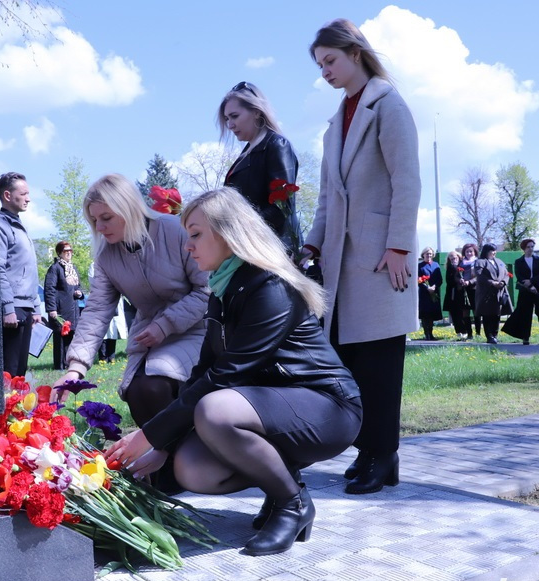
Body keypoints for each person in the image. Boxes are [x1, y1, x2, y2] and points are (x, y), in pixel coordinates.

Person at [105, 187, 362, 556]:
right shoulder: (222, 289)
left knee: (216, 410)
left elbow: (226, 376)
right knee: (192, 468)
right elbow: (202, 372)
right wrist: (165, 445)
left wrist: (149, 435)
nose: (188, 246)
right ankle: (284, 487)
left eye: (196, 234)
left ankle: (291, 505)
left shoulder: (270, 286)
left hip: (329, 409)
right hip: (271, 408)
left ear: (228, 234)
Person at [299, 19, 421, 494]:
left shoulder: (388, 104)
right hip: (340, 265)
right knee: (351, 361)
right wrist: (312, 244)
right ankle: (370, 452)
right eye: (319, 65)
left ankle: (383, 454)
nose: (325, 71)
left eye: (330, 60)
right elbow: (327, 197)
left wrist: (399, 247)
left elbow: (406, 180)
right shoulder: (336, 122)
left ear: (355, 53)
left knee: (380, 361)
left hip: (381, 258)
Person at [52, 174, 210, 429]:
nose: (99, 227)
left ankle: (187, 448)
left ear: (129, 208)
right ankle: (165, 454)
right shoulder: (107, 256)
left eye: (106, 217)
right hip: (149, 335)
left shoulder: (174, 231)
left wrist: (165, 325)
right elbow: (97, 310)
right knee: (137, 392)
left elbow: (207, 290)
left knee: (154, 388)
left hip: (197, 328)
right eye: (94, 220)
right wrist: (75, 368)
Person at [219, 82, 303, 253]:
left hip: (275, 252)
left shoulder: (276, 145)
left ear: (256, 111)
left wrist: (239, 229)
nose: (230, 125)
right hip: (254, 249)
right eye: (227, 119)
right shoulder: (248, 152)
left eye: (234, 116)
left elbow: (282, 208)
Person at [0, 172, 41, 377]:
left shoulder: (19, 225)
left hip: (25, 307)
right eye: (23, 194)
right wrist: (8, 308)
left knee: (20, 371)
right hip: (13, 309)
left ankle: (16, 399)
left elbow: (29, 270)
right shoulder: (0, 225)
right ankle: (5, 400)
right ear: (7, 195)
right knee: (11, 371)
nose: (28, 199)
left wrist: (36, 307)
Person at [501, 239, 539, 345]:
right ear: (524, 248)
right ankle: (525, 337)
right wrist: (528, 285)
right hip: (525, 289)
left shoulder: (538, 260)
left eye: (532, 246)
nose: (530, 249)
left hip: (538, 288)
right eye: (528, 247)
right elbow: (519, 276)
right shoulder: (519, 261)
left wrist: (531, 281)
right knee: (525, 313)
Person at [44, 241, 83, 370]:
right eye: (66, 251)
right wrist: (51, 309)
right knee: (61, 337)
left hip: (73, 309)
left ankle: (68, 363)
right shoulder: (55, 268)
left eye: (70, 250)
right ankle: (59, 366)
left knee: (71, 336)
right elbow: (49, 289)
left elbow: (78, 286)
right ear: (59, 253)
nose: (69, 253)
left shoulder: (73, 268)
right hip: (60, 309)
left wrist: (79, 293)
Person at [474, 243, 512, 345]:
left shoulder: (499, 262)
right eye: (492, 250)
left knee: (497, 314)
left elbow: (506, 274)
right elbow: (480, 276)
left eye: (495, 250)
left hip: (499, 292)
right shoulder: (480, 262)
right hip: (486, 292)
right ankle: (489, 336)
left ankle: (495, 335)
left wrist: (503, 282)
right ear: (486, 251)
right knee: (487, 314)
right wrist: (492, 283)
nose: (494, 252)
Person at [442, 250, 469, 339]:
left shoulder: (463, 265)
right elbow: (449, 281)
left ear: (458, 257)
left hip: (462, 292)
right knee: (454, 313)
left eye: (455, 257)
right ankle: (459, 331)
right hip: (452, 293)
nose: (453, 259)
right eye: (451, 258)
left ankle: (465, 331)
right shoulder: (450, 268)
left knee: (462, 313)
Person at [417, 247, 442, 340]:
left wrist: (434, 287)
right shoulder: (420, 266)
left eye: (430, 254)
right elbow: (418, 279)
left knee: (432, 313)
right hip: (424, 293)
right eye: (427, 254)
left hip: (434, 292)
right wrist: (427, 287)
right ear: (423, 254)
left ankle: (431, 333)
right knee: (425, 314)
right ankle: (426, 334)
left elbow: (439, 279)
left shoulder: (436, 265)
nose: (429, 255)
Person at [459, 243, 479, 337]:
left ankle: (478, 333)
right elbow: (457, 275)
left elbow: (479, 276)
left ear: (475, 252)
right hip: (464, 290)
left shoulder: (478, 262)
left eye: (471, 251)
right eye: (467, 252)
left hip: (475, 289)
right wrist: (460, 280)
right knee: (465, 311)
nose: (469, 253)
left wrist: (470, 282)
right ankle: (469, 333)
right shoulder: (461, 263)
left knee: (476, 311)